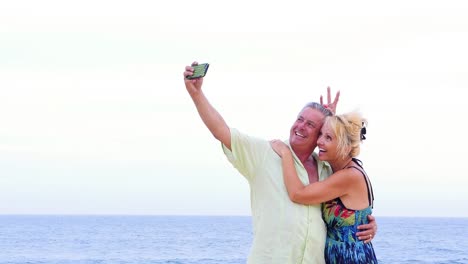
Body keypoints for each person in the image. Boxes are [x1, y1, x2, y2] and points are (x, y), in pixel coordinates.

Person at [183, 62, 377, 264]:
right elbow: (221, 131)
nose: (300, 126)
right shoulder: (265, 153)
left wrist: (365, 222)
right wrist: (196, 94)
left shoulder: (327, 167)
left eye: (311, 124)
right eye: (300, 119)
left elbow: (351, 201)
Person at [270, 111, 378, 263]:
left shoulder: (349, 176)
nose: (319, 141)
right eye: (320, 134)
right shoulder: (338, 170)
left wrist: (285, 153)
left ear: (345, 146)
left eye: (328, 138)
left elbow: (297, 194)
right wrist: (329, 117)